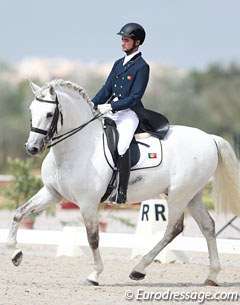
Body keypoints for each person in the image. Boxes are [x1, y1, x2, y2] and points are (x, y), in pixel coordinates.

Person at [91, 22, 150, 204]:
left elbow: (134, 97)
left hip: (129, 113)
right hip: (111, 111)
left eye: (126, 40)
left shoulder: (142, 67)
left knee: (122, 146)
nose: (122, 43)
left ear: (137, 42)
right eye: (122, 39)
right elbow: (106, 89)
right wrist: (91, 104)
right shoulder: (118, 64)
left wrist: (111, 107)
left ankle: (122, 192)